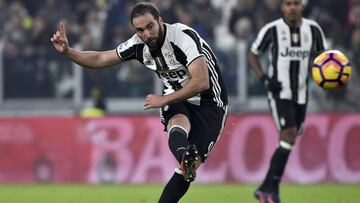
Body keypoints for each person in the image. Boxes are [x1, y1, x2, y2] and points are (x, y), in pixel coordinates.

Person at [51, 2, 228, 202]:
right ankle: (186, 155)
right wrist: (68, 52)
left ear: (160, 21)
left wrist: (163, 99)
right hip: (176, 94)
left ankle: (186, 159)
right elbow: (101, 58)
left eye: (150, 26)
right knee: (177, 126)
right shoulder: (138, 45)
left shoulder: (182, 36)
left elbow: (202, 82)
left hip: (211, 103)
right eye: (140, 30)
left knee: (187, 168)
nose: (146, 34)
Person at [248, 0, 327, 202]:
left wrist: (328, 76)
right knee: (289, 135)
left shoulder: (313, 30)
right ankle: (270, 191)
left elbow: (322, 60)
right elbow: (253, 55)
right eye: (288, 3)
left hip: (301, 94)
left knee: (289, 140)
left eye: (296, 3)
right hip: (279, 92)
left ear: (302, 6)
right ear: (282, 7)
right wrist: (265, 79)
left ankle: (265, 188)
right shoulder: (272, 29)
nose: (292, 7)